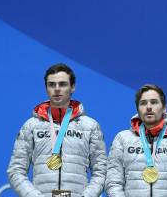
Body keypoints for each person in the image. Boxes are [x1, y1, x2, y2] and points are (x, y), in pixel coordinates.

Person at [7, 63, 107, 196]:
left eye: (63, 84)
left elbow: (101, 172)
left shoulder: (90, 126)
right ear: (46, 88)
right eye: (52, 84)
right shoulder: (31, 126)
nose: (57, 89)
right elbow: (15, 170)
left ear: (72, 87)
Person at [105, 84, 167, 197]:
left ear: (164, 108)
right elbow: (113, 182)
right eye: (143, 103)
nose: (148, 107)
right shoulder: (122, 138)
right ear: (138, 109)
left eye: (154, 102)